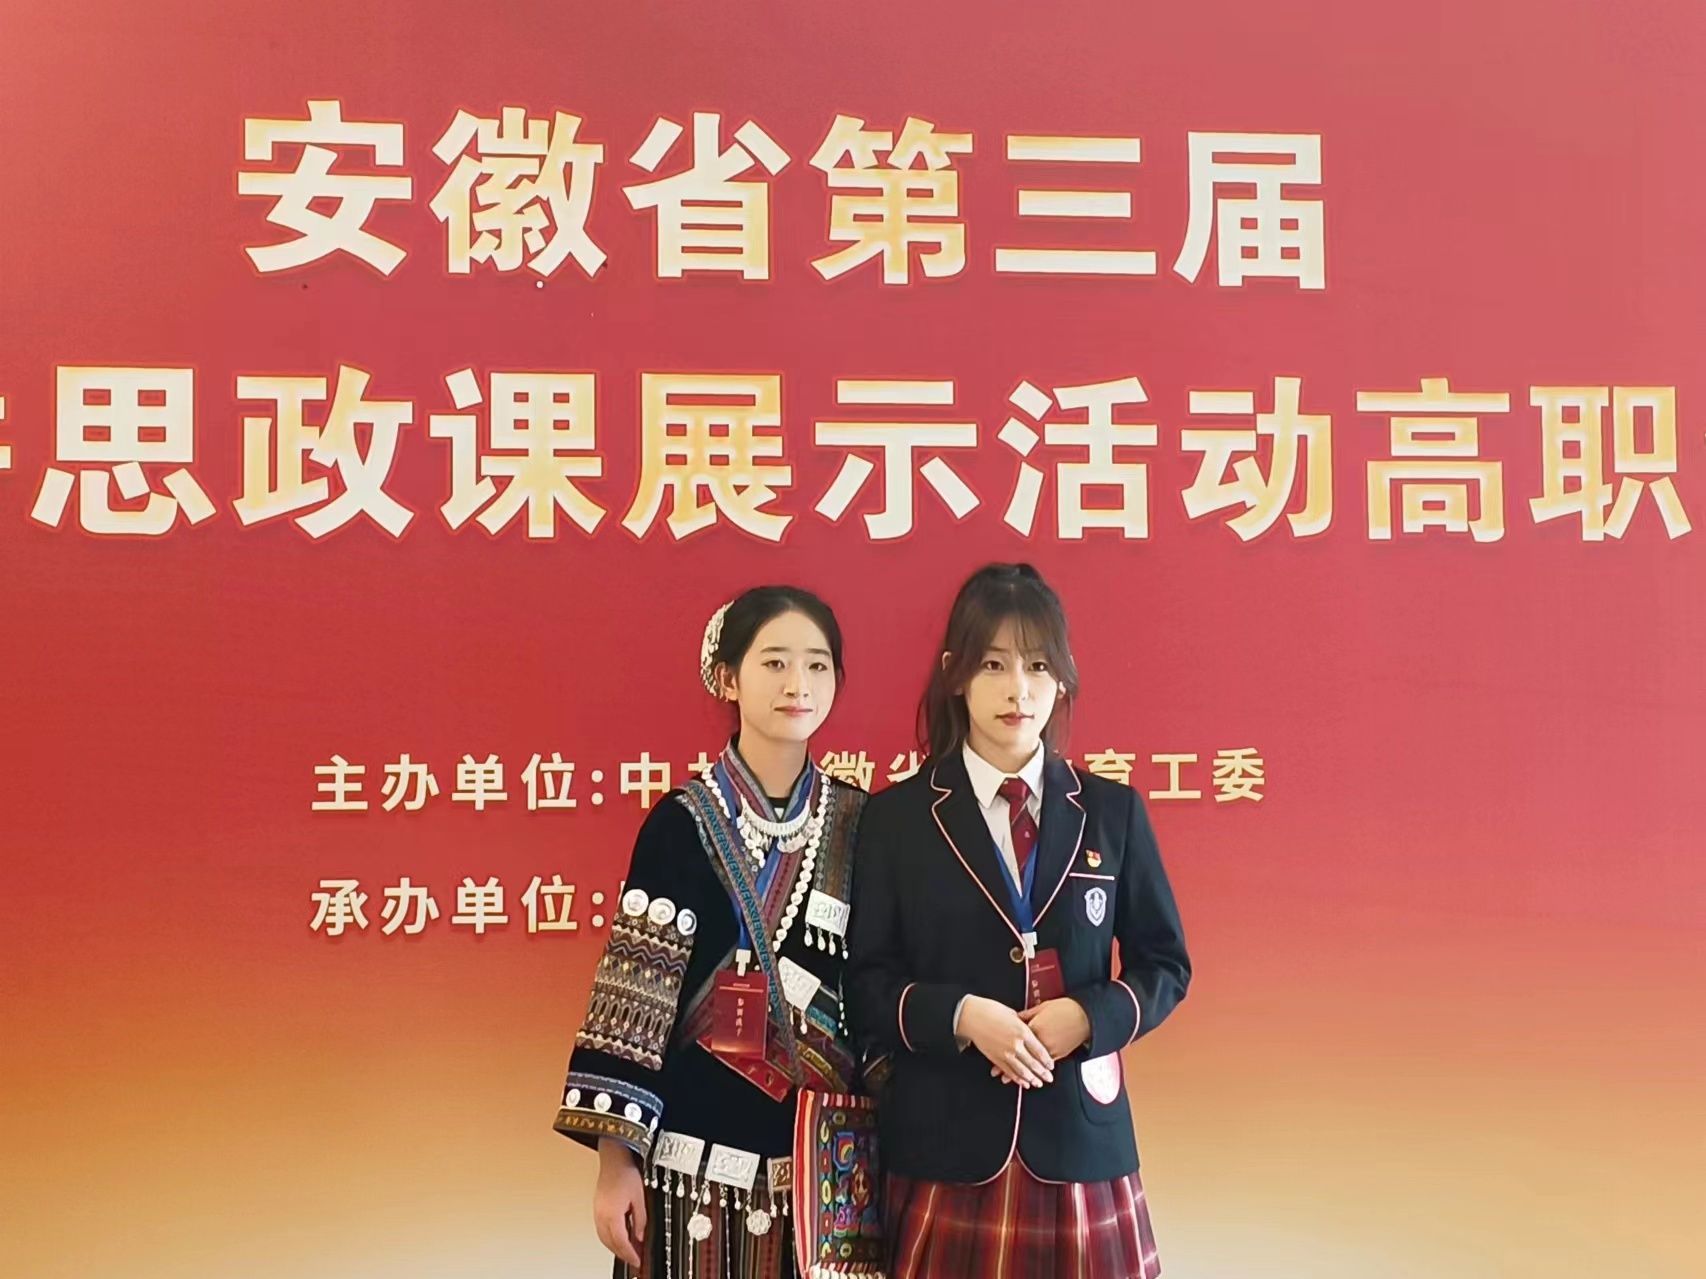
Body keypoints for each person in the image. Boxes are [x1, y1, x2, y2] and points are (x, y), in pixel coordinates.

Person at [847, 562, 1191, 1279]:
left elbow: (1166, 966)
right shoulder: (896, 818)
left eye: (1037, 665)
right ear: (955, 673)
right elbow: (867, 985)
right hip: (945, 1147)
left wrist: (1088, 1017)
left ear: (1062, 678)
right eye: (994, 664)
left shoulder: (1112, 812)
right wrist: (964, 1016)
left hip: (1081, 1145)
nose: (1018, 689)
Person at [554, 586, 880, 1278]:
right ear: (729, 678)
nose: (798, 684)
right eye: (774, 662)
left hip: (829, 1173)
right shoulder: (681, 823)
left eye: (817, 665)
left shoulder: (862, 825)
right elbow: (632, 1002)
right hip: (691, 1170)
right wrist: (616, 1164)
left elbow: (882, 987)